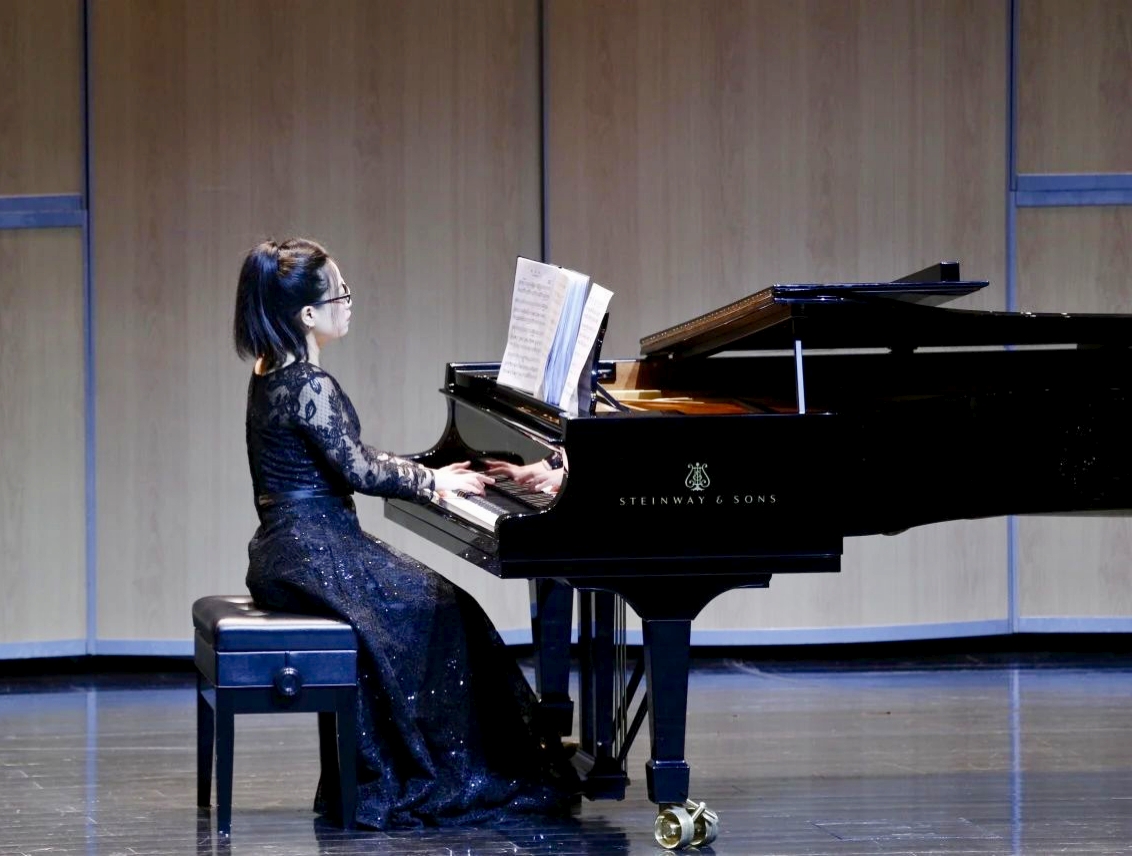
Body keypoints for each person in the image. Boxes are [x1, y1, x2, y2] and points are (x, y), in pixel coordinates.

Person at [233, 238, 577, 829]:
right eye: (340, 293)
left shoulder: (270, 370)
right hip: (315, 550)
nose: (349, 302)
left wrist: (427, 475)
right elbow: (360, 472)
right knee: (445, 607)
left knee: (431, 606)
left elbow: (346, 458)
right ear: (308, 315)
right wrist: (433, 483)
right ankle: (456, 770)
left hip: (286, 550)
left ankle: (452, 757)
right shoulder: (309, 384)